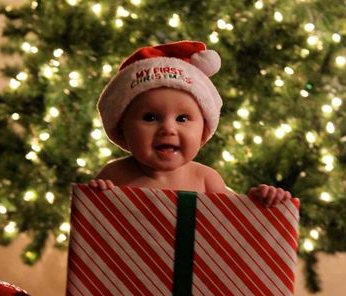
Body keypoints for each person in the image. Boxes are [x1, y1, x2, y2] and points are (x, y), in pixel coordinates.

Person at [90, 40, 292, 207]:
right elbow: (92, 224)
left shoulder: (205, 180)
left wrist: (261, 201)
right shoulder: (114, 176)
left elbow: (236, 223)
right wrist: (97, 195)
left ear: (203, 131)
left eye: (182, 119)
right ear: (122, 128)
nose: (168, 129)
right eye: (150, 117)